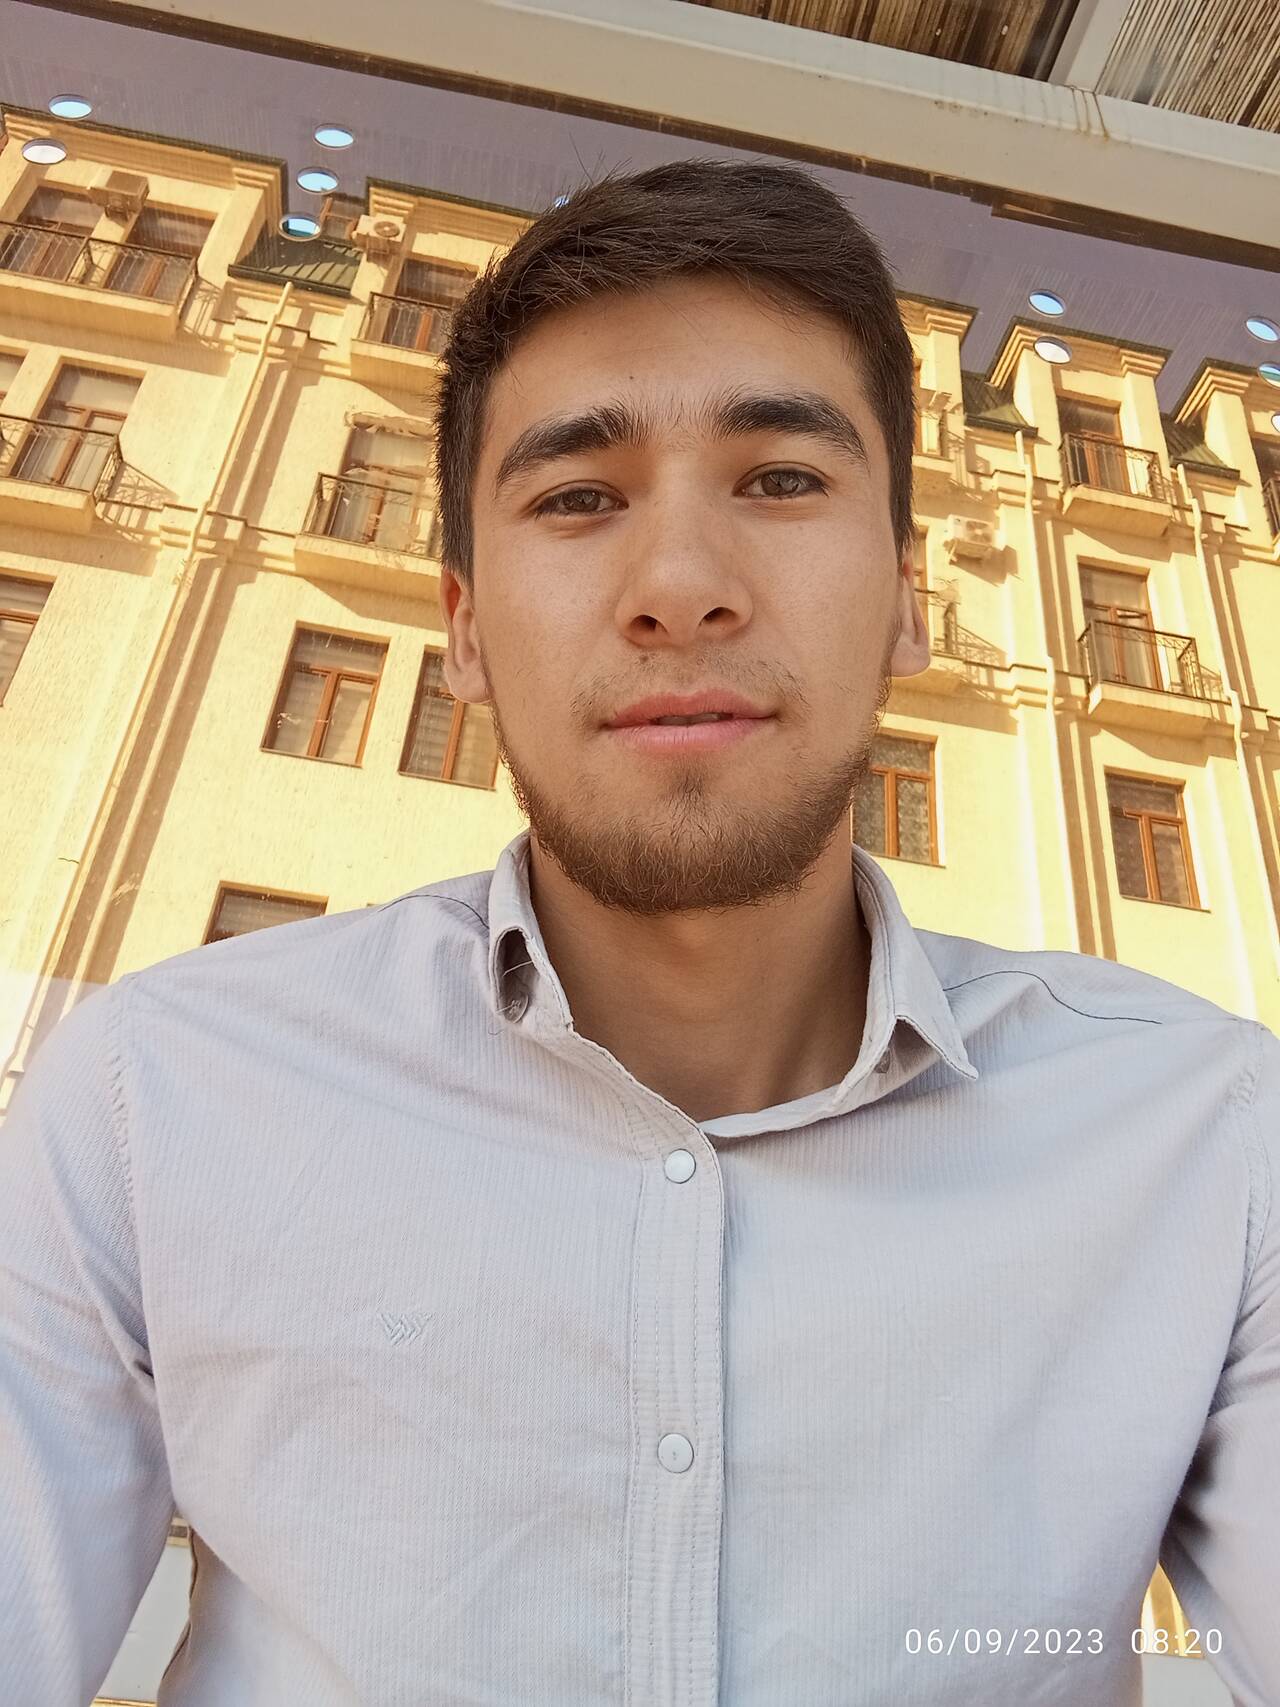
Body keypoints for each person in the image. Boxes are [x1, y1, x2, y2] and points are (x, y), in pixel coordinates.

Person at [1, 156, 1277, 1707]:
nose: (679, 588)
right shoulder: (151, 1104)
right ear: (465, 630)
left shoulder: (1213, 1144)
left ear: (906, 599)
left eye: (780, 481)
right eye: (578, 498)